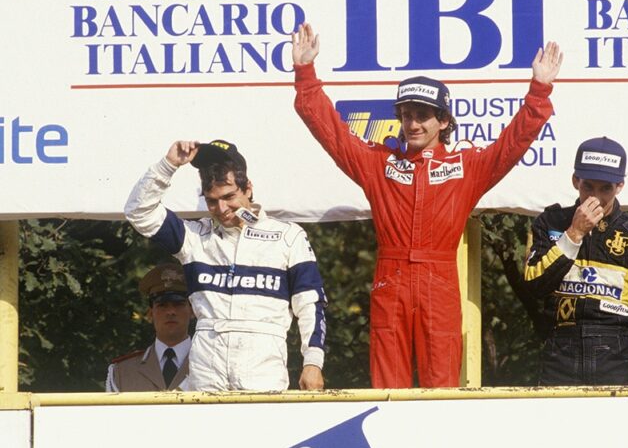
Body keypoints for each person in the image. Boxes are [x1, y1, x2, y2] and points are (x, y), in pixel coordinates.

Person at [292, 22, 562, 388]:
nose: (413, 123)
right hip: (391, 279)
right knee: (388, 389)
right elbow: (333, 134)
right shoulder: (379, 164)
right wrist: (306, 75)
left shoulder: (465, 168)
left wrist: (539, 92)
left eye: (422, 115)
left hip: (440, 281)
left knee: (442, 390)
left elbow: (511, 144)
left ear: (444, 120)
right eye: (406, 114)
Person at [125, 139, 327, 391]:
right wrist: (168, 166)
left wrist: (313, 362)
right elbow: (138, 212)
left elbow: (310, 304)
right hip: (206, 372)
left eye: (229, 197)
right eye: (211, 201)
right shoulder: (195, 236)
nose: (221, 209)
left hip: (263, 371)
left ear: (248, 189)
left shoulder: (287, 235)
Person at [521, 136, 628, 386]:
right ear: (575, 181)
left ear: (619, 186)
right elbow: (534, 285)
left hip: (614, 350)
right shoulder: (550, 222)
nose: (595, 197)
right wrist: (573, 234)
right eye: (588, 186)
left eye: (605, 188)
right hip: (560, 348)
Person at [106, 263, 193, 392]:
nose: (170, 312)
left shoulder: (213, 366)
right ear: (150, 313)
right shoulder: (122, 371)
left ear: (193, 311)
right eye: (162, 305)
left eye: (178, 304)